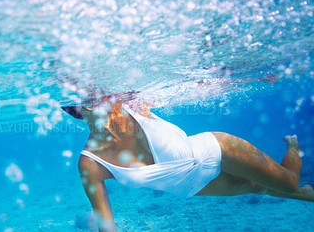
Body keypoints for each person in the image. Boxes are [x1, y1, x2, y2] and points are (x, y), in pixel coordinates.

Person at [61, 93, 314, 232]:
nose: (96, 101)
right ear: (75, 110)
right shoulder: (90, 163)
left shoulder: (128, 104)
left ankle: (293, 149)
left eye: (97, 95)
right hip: (193, 185)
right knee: (259, 187)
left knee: (288, 181)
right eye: (87, 101)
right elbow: (107, 226)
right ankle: (307, 194)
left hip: (218, 148)